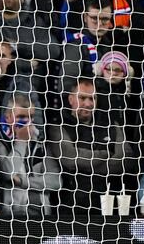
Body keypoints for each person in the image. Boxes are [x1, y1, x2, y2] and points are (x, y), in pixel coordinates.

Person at [48, 77, 138, 215]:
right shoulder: (58, 127)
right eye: (82, 98)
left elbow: (126, 161)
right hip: (71, 209)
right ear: (71, 99)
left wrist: (86, 165)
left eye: (92, 99)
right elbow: (71, 159)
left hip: (109, 208)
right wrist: (105, 154)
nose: (88, 103)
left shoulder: (112, 125)